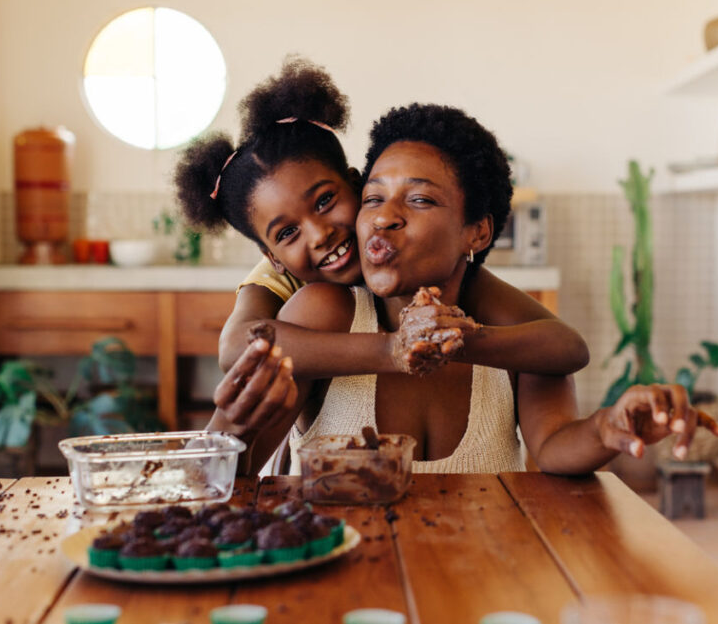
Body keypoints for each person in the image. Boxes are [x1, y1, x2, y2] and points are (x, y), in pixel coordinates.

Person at [253, 103, 718, 475]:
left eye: (418, 199)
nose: (384, 215)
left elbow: (556, 444)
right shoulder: (326, 312)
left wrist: (606, 428)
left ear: (476, 232)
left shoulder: (514, 339)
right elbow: (246, 428)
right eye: (373, 198)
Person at [174, 58, 591, 463]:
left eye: (326, 201)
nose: (320, 235)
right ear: (272, 257)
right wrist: (394, 349)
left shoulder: (471, 291)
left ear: (352, 185)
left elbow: (567, 347)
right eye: (287, 233)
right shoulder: (305, 297)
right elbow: (237, 348)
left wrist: (450, 339)